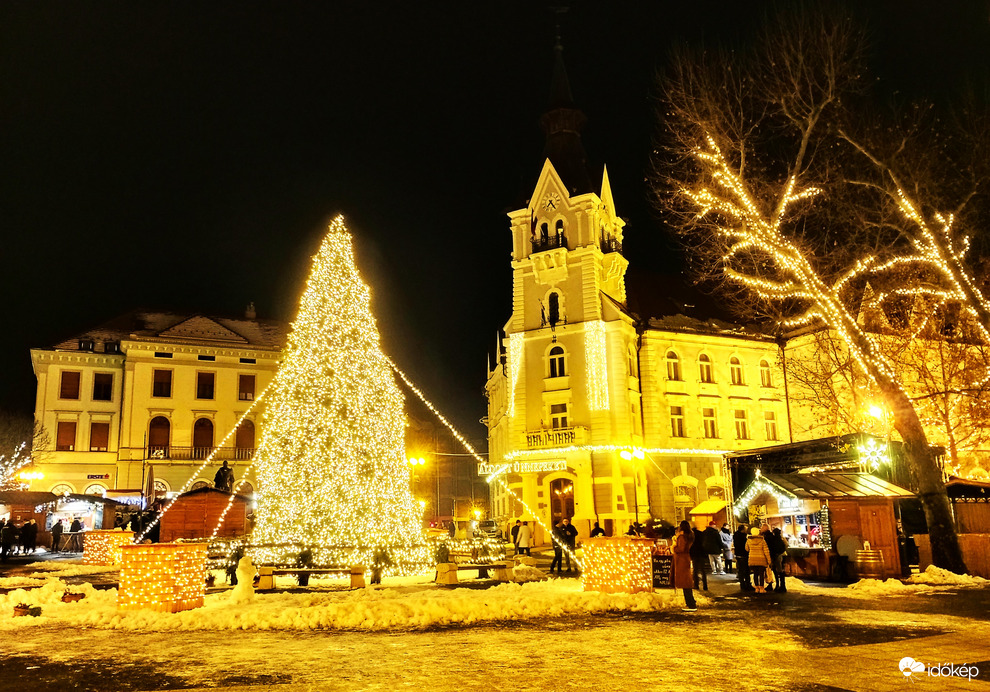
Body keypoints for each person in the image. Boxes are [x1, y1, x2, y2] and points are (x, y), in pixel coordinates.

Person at [673, 520, 697, 611]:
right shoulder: (690, 536)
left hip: (682, 560)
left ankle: (690, 604)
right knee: (686, 582)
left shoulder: (682, 537)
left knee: (685, 582)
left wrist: (674, 547)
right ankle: (691, 602)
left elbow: (681, 548)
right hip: (686, 558)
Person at [746, 527, 773, 593]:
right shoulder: (762, 540)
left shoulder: (748, 540)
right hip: (762, 559)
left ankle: (756, 588)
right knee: (761, 574)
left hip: (752, 559)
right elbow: (766, 551)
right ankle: (761, 588)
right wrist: (769, 560)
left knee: (755, 574)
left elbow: (746, 549)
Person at [767, 527, 788, 593]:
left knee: (776, 571)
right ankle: (783, 586)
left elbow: (771, 548)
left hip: (775, 556)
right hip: (781, 556)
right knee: (781, 571)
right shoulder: (781, 539)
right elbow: (786, 545)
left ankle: (778, 585)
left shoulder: (773, 539)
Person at [690, 525, 710, 591]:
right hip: (701, 553)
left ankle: (696, 584)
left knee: (695, 570)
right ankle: (705, 585)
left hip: (695, 554)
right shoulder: (701, 534)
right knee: (703, 570)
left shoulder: (691, 535)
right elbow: (705, 543)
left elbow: (690, 545)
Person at [734, 524, 753, 591]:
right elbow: (746, 547)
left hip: (738, 555)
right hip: (744, 555)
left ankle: (742, 585)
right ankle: (748, 584)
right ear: (742, 530)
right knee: (746, 570)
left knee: (741, 570)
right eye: (745, 529)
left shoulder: (736, 535)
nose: (746, 530)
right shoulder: (743, 537)